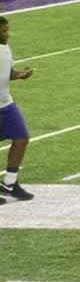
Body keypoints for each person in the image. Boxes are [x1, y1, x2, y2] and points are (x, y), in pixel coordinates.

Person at [0, 18, 31, 202]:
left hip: (6, 104)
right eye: (4, 31)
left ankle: (10, 183)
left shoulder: (5, 48)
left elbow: (6, 72)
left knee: (22, 138)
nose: (7, 34)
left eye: (7, 30)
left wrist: (19, 74)